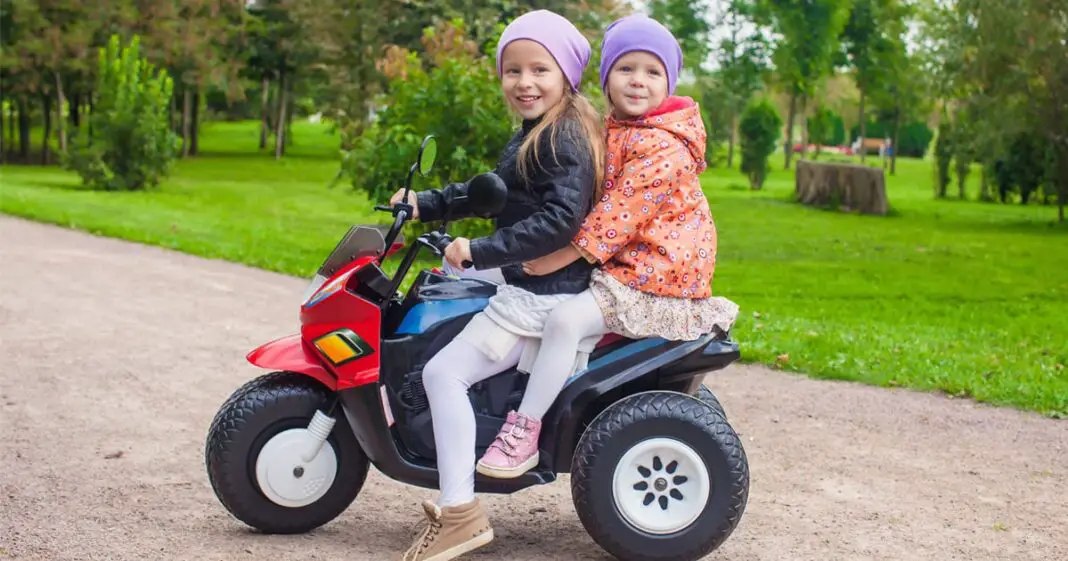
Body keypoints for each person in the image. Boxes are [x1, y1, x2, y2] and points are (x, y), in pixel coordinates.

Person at [474, 14, 740, 480]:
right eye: (626, 68)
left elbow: (616, 218)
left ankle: (525, 430)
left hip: (654, 274)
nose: (638, 81)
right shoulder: (617, 128)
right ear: (606, 77)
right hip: (628, 262)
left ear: (668, 82)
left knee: (563, 320)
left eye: (652, 72)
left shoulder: (663, 145)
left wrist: (553, 257)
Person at [388, 9, 606, 561]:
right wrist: (424, 205)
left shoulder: (565, 141)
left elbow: (560, 220)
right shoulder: (539, 132)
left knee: (443, 374)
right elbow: (490, 193)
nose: (524, 82)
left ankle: (460, 511)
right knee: (442, 287)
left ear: (566, 76)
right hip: (531, 283)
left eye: (539, 69)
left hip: (542, 296)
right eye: (513, 70)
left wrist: (481, 250)